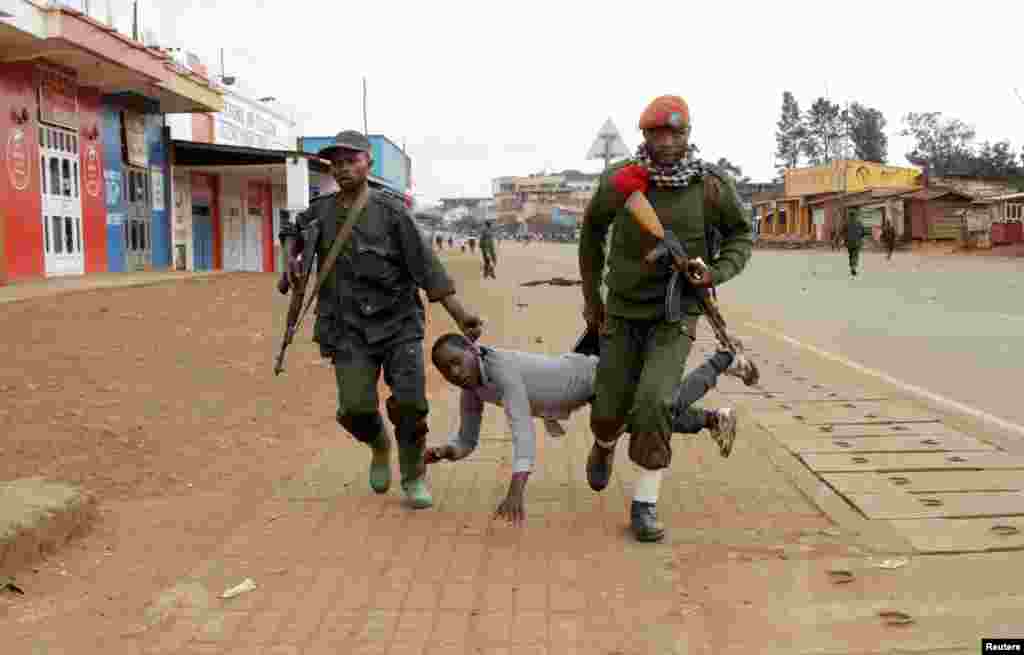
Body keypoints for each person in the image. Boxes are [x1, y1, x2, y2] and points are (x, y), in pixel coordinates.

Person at [578, 95, 754, 542]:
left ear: (689, 134)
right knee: (608, 409)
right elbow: (591, 233)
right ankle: (603, 444)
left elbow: (740, 236)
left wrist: (714, 271)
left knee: (655, 402)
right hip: (621, 310)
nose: (668, 142)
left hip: (676, 313)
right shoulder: (620, 181)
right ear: (645, 137)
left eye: (676, 133)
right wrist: (591, 297)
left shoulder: (710, 185)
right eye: (659, 133)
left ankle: (645, 502)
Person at [278, 130, 483, 510]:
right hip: (345, 327)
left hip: (398, 324)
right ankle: (378, 444)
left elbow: (427, 268)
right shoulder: (320, 211)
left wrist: (461, 315)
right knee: (355, 408)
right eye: (336, 163)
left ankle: (412, 475)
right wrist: (290, 257)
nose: (343, 169)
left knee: (410, 405)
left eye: (351, 161)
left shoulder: (391, 212)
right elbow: (292, 230)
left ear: (368, 164)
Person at [425, 331, 758, 525]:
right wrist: (445, 452)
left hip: (600, 378)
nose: (454, 372)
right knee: (647, 419)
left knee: (660, 407)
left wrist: (516, 491)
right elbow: (467, 439)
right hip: (586, 391)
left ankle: (723, 359)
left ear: (472, 350)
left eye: (457, 362)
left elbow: (521, 429)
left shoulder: (499, 369)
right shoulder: (473, 388)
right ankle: (715, 420)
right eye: (445, 370)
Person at [846, 210, 868, 276]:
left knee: (851, 255)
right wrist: (862, 235)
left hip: (849, 243)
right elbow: (863, 232)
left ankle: (852, 267)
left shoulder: (846, 223)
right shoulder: (859, 223)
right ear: (855, 216)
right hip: (856, 242)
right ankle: (853, 268)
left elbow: (842, 232)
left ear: (849, 216)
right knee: (855, 255)